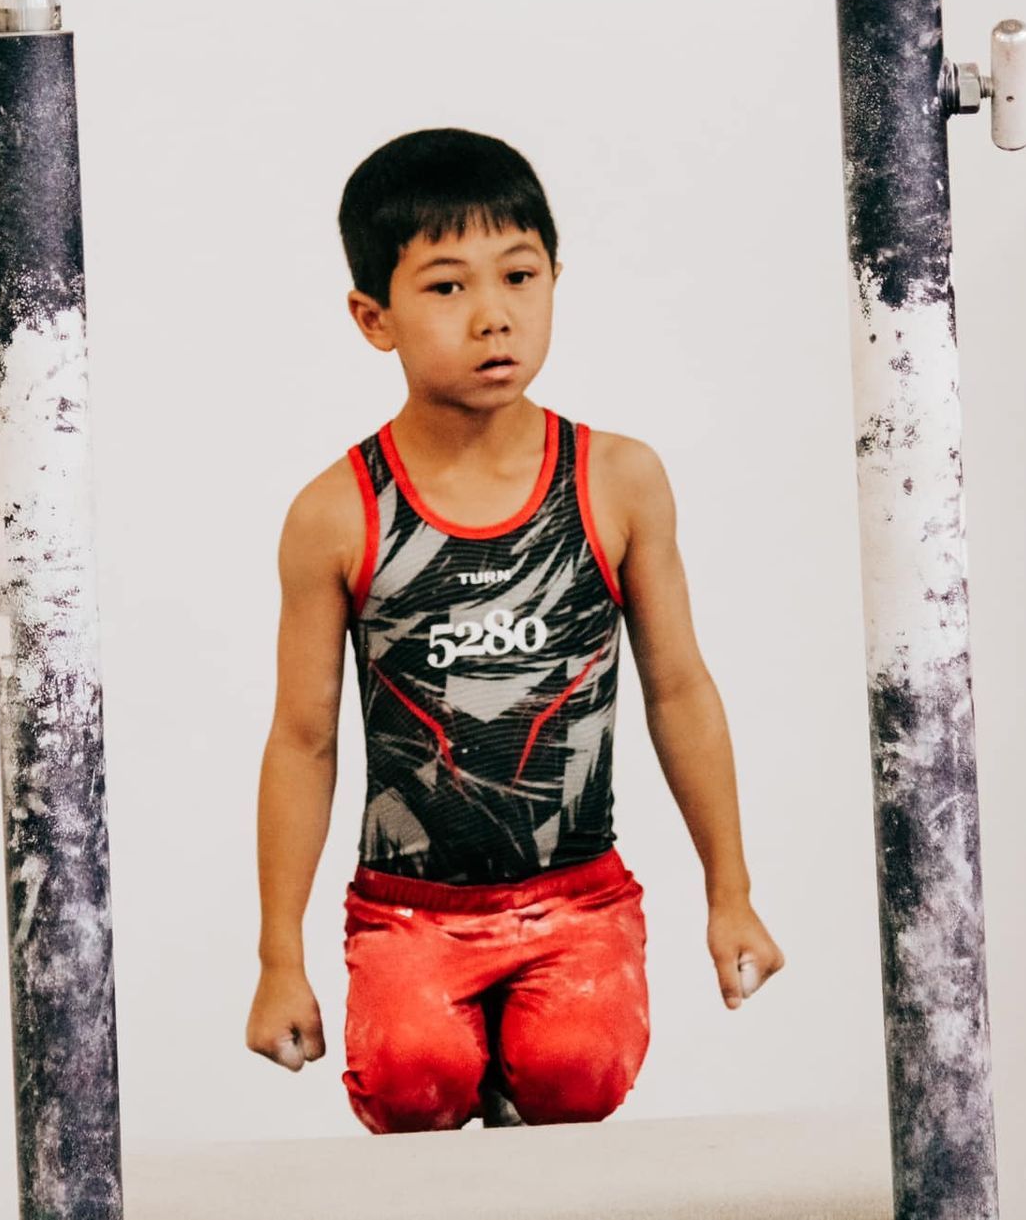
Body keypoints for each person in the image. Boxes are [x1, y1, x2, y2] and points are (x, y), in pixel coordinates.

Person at [245, 127, 783, 1134]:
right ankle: (453, 1064)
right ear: (375, 318)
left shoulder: (616, 482)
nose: (493, 316)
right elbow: (302, 739)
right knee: (413, 1078)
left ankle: (532, 1065)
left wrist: (732, 892)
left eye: (519, 276)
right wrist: (282, 956)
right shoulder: (339, 514)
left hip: (578, 901)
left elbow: (679, 688)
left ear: (554, 279)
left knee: (577, 1072)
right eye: (445, 288)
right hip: (411, 908)